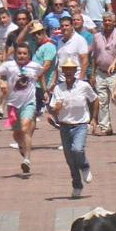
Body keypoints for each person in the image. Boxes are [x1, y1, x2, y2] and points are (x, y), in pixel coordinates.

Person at [0, 44, 43, 175]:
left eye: (25, 53)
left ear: (29, 55)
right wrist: (1, 82)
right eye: (19, 53)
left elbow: (40, 76)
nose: (22, 56)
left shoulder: (35, 66)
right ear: (15, 54)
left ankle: (27, 159)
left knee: (25, 128)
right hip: (12, 105)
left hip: (29, 103)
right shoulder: (9, 65)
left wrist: (44, 91)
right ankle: (21, 146)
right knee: (16, 133)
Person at [49, 58, 98, 199]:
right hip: (64, 127)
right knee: (70, 159)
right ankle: (77, 185)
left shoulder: (83, 86)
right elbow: (53, 109)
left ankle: (84, 165)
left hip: (80, 125)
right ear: (63, 71)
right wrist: (54, 111)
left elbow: (94, 100)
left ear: (75, 71)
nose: (69, 72)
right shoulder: (59, 88)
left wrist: (94, 118)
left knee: (77, 149)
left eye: (71, 69)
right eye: (66, 69)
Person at [91, 12, 116, 137]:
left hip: (115, 73)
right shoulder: (97, 37)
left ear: (114, 22)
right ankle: (106, 127)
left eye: (109, 21)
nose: (107, 23)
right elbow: (94, 55)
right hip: (101, 72)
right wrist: (93, 74)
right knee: (102, 101)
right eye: (105, 20)